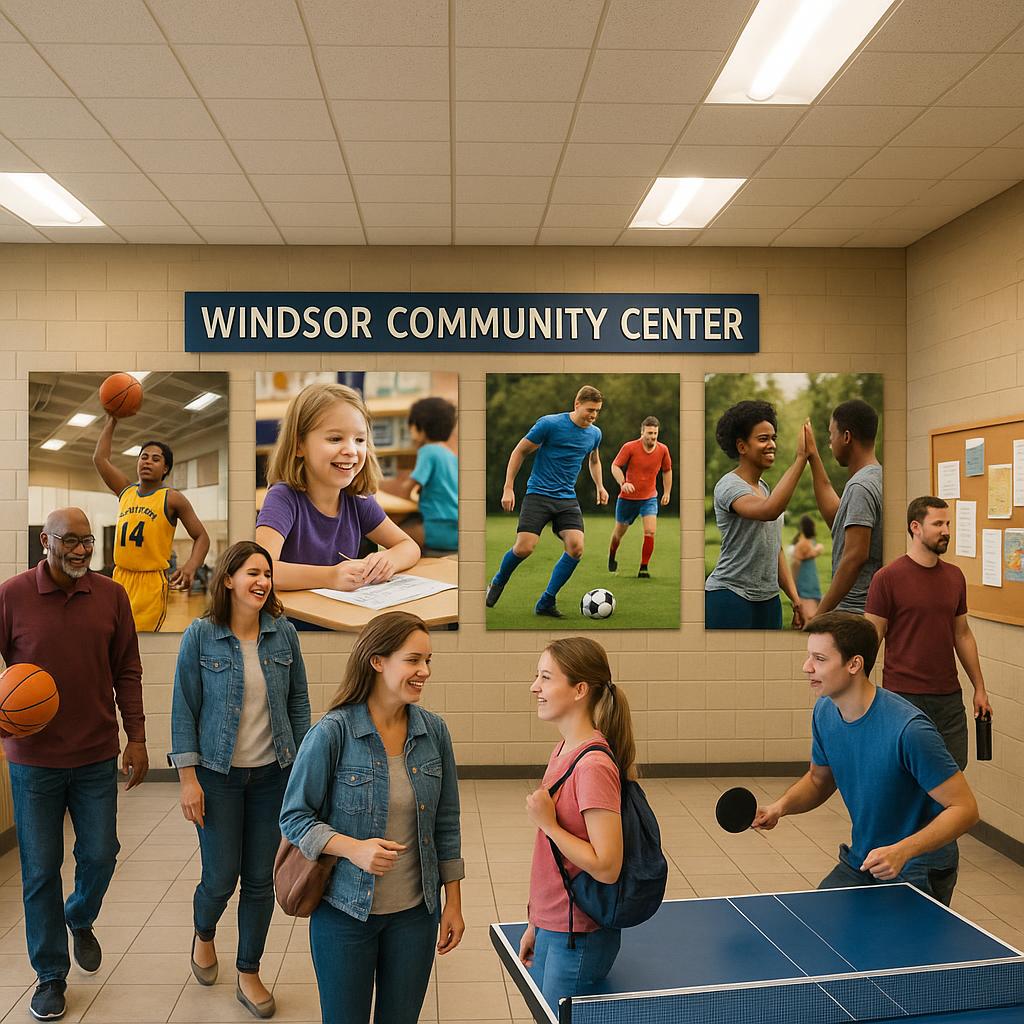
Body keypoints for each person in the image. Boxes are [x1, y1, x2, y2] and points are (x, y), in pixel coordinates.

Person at [279, 611, 464, 1024]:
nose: (424, 672)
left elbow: (446, 822)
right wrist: (353, 849)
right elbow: (293, 818)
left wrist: (453, 902)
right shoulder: (333, 732)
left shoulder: (434, 732)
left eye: (428, 661)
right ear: (377, 661)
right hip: (344, 914)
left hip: (416, 915)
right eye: (413, 660)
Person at [0, 508, 148, 1021]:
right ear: (45, 541)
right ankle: (50, 976)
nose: (82, 549)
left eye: (88, 540)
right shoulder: (13, 594)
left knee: (102, 854)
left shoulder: (111, 596)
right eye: (71, 540)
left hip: (94, 755)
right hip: (34, 762)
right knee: (40, 870)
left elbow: (128, 668)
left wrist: (138, 737)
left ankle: (79, 916)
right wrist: (5, 725)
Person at [169, 540, 311, 1019]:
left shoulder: (284, 634)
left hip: (274, 777)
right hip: (217, 778)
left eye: (266, 574)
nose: (262, 581)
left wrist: (302, 775)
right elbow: (184, 711)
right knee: (219, 878)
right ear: (227, 579)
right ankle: (204, 933)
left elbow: (297, 704)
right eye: (252, 572)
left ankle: (248, 970)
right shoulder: (200, 635)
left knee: (259, 880)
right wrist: (188, 780)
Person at [753, 612, 979, 907]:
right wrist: (779, 807)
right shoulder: (825, 712)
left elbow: (965, 809)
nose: (806, 667)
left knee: (894, 951)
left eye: (820, 659)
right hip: (865, 857)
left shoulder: (909, 730)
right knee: (820, 924)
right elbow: (819, 780)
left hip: (918, 865)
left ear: (854, 664)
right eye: (809, 657)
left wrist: (902, 851)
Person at [518, 637, 634, 1012]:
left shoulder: (593, 766)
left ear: (579, 690)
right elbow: (555, 861)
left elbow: (607, 865)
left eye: (546, 677)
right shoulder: (564, 749)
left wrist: (548, 824)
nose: (535, 686)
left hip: (578, 937)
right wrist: (536, 920)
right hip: (555, 926)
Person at [864, 497, 993, 770]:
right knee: (907, 776)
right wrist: (857, 690)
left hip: (948, 697)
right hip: (903, 697)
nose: (946, 530)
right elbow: (870, 637)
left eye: (947, 523)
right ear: (916, 527)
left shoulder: (955, 577)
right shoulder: (887, 578)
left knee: (953, 772)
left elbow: (962, 634)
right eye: (938, 524)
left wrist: (979, 688)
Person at [255, 383, 420, 593]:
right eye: (335, 439)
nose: (351, 450)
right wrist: (330, 576)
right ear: (299, 445)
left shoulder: (358, 498)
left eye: (360, 440)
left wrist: (387, 560)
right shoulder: (283, 498)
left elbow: (409, 547)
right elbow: (260, 569)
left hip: (343, 617)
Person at [486, 385, 608, 618]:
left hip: (566, 498)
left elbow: (594, 460)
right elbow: (519, 451)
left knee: (576, 547)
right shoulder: (549, 424)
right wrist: (508, 487)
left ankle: (546, 602)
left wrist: (600, 486)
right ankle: (498, 581)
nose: (593, 415)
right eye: (590, 410)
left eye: (597, 411)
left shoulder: (595, 433)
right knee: (524, 548)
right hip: (538, 495)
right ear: (577, 404)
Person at [94, 416, 211, 631]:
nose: (147, 461)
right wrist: (112, 420)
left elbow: (202, 536)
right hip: (120, 576)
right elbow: (100, 459)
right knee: (113, 637)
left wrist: (191, 566)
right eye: (144, 457)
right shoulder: (126, 491)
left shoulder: (172, 498)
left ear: (165, 469)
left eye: (155, 459)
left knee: (138, 641)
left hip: (150, 583)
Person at [704, 400, 807, 629]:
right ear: (742, 446)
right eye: (763, 439)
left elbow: (775, 547)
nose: (771, 444)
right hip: (730, 596)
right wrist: (801, 460)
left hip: (769, 600)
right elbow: (768, 512)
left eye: (773, 438)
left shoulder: (764, 488)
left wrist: (795, 599)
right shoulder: (729, 486)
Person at [803, 398, 883, 615]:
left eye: (831, 435)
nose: (830, 443)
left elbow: (855, 556)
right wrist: (812, 455)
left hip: (855, 611)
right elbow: (837, 519)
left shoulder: (861, 486)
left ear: (846, 437)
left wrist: (820, 615)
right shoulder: (876, 478)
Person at [607, 416, 672, 579]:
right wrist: (623, 483)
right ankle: (612, 554)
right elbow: (615, 466)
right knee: (618, 534)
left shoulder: (663, 450)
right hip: (627, 499)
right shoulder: (630, 447)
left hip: (649, 498)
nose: (653, 436)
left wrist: (667, 492)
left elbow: (667, 470)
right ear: (642, 432)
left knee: (650, 531)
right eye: (649, 433)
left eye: (655, 433)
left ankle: (644, 567)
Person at [396, 396, 459, 554]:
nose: (410, 430)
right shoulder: (450, 454)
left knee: (393, 535)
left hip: (438, 528)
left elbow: (406, 489)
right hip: (456, 529)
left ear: (421, 428)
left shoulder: (428, 451)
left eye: (411, 425)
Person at [791, 515, 824, 620]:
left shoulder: (808, 541)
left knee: (811, 616)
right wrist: (793, 585)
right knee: (809, 618)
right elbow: (796, 563)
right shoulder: (803, 543)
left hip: (810, 582)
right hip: (805, 584)